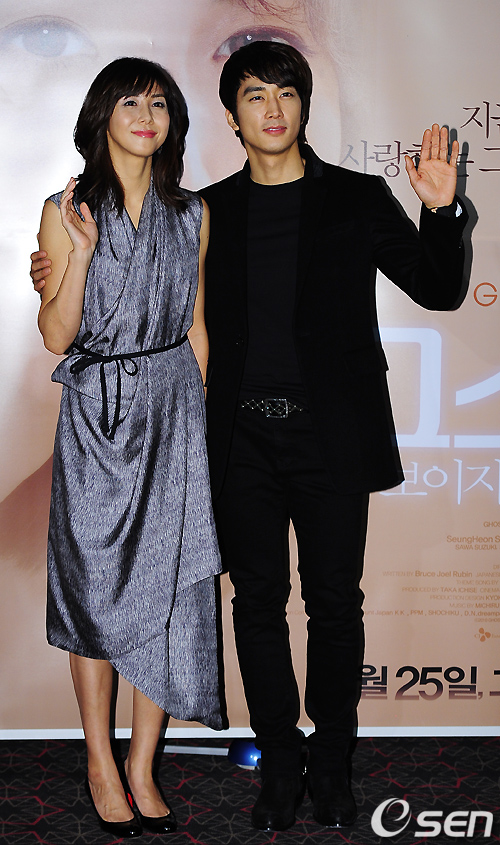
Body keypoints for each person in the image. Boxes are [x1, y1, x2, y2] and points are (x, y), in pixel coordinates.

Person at [31, 40, 469, 833]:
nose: (273, 108)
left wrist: (441, 211)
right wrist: (60, 272)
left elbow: (439, 289)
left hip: (332, 438)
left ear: (304, 107)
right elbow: (160, 311)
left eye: (286, 93)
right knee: (256, 604)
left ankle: (330, 760)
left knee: (334, 603)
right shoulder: (209, 211)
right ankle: (280, 762)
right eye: (255, 95)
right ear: (231, 116)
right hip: (238, 442)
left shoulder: (357, 197)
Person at [34, 56, 222, 838]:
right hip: (96, 413)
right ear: (102, 116)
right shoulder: (66, 207)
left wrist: (197, 418)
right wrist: (79, 252)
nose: (147, 116)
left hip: (174, 408)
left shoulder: (193, 213)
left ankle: (144, 764)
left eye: (160, 103)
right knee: (93, 587)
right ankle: (99, 762)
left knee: (168, 588)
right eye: (130, 103)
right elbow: (56, 334)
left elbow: (197, 326)